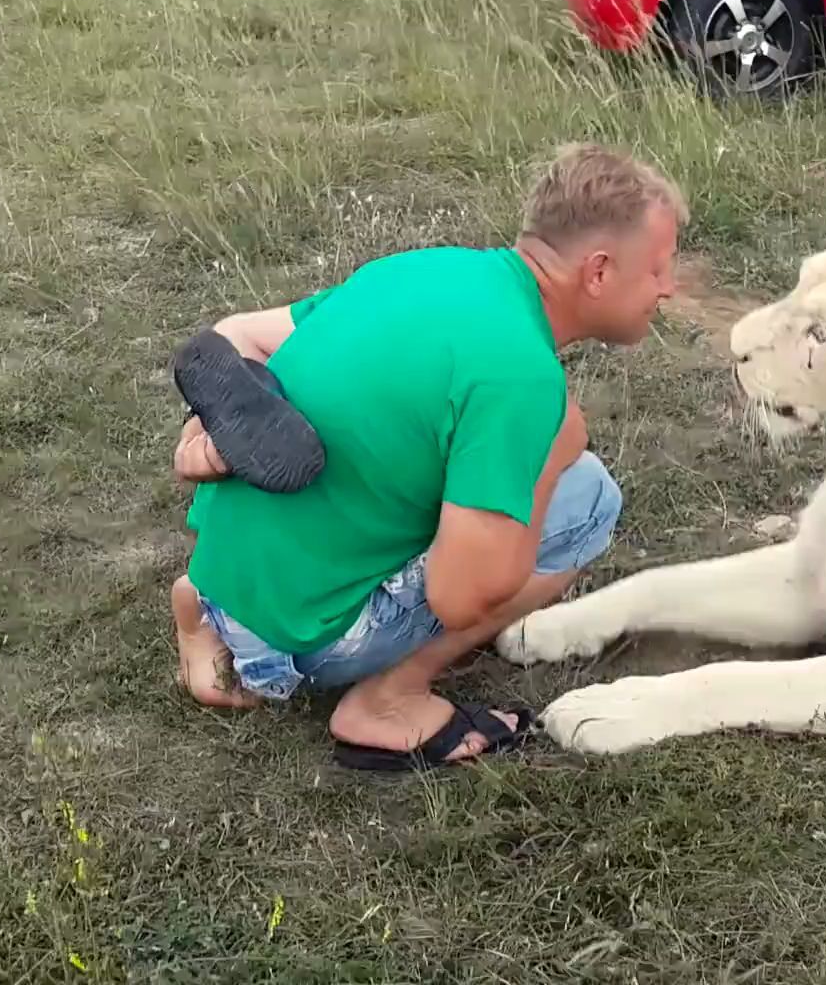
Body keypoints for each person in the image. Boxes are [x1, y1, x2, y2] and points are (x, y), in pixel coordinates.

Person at [167, 142, 687, 770]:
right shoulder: (517, 374)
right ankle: (385, 701)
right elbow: (462, 598)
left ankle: (206, 612)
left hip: (225, 572)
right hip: (300, 640)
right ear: (599, 272)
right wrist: (553, 456)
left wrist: (202, 431)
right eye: (659, 267)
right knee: (589, 500)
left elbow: (245, 338)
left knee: (444, 456)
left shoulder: (426, 270)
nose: (669, 287)